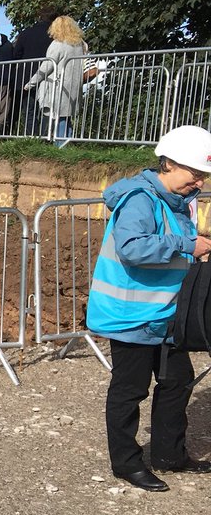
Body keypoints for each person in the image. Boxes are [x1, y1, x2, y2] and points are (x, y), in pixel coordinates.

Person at [86, 125, 211, 492]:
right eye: (195, 174)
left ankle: (169, 455)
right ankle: (126, 463)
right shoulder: (141, 199)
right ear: (169, 163)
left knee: (177, 380)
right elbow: (133, 247)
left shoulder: (179, 201)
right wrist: (187, 244)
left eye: (203, 176)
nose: (199, 183)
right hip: (132, 315)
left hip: (166, 314)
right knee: (130, 389)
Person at [23, 15, 86, 146]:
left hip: (58, 85)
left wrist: (32, 82)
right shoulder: (81, 45)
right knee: (66, 117)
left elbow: (47, 66)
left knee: (58, 117)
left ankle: (61, 147)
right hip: (73, 85)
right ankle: (67, 144)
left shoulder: (58, 44)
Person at [12, 4, 59, 135]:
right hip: (49, 75)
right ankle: (45, 136)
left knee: (29, 109)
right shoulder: (55, 36)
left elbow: (16, 54)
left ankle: (30, 135)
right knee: (46, 108)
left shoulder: (26, 33)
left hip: (26, 76)